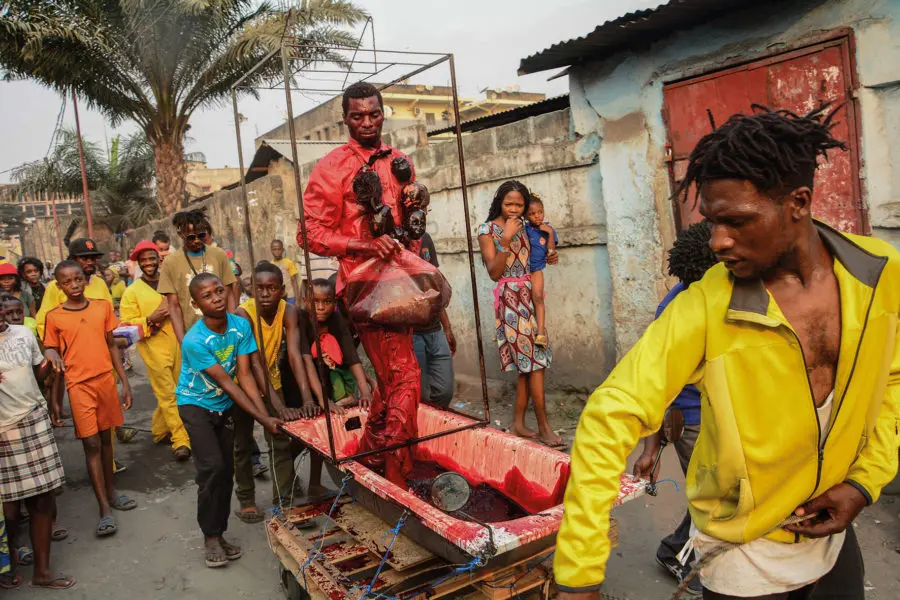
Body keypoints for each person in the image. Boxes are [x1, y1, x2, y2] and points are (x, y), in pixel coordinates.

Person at [554, 106, 900, 600]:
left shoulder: (878, 273)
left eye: (737, 221)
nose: (718, 241)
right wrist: (579, 571)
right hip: (740, 554)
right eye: (713, 221)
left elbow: (891, 380)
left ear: (798, 203)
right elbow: (609, 417)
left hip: (832, 534)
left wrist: (864, 483)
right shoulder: (703, 307)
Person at [298, 81, 422, 486]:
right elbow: (309, 234)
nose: (367, 122)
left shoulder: (400, 160)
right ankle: (398, 479)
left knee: (390, 381)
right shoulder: (332, 167)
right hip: (365, 288)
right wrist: (364, 244)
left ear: (383, 114)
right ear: (345, 119)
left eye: (373, 114)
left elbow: (411, 221)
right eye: (357, 116)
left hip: (405, 284)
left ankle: (368, 458)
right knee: (406, 377)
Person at [631, 220, 717, 597]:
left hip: (717, 411)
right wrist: (650, 448)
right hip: (691, 418)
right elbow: (655, 384)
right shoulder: (677, 310)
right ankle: (686, 560)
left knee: (713, 492)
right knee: (711, 495)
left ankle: (677, 549)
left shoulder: (715, 296)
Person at [175, 272, 281, 568]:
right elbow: (228, 383)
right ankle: (210, 536)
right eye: (207, 296)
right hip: (195, 404)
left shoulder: (240, 325)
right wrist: (264, 420)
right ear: (196, 305)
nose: (217, 298)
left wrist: (266, 415)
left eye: (219, 291)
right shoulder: (194, 340)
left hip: (223, 404)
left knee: (225, 470)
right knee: (212, 467)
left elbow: (245, 375)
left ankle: (218, 533)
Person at [43, 261, 136, 538]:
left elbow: (111, 344)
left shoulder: (101, 307)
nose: (73, 285)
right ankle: (104, 508)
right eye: (67, 282)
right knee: (91, 444)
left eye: (77, 279)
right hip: (78, 385)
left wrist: (124, 381)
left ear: (85, 280)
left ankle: (112, 492)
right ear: (59, 286)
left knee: (107, 440)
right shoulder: (54, 316)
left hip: (105, 380)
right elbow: (51, 351)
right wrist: (55, 397)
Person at [477, 180, 560, 447]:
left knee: (528, 365)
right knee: (534, 362)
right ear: (499, 203)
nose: (514, 209)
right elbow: (494, 273)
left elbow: (535, 257)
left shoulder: (527, 226)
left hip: (530, 297)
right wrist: (505, 239)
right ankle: (544, 428)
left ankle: (517, 424)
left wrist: (550, 255)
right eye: (508, 204)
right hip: (510, 301)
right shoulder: (487, 230)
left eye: (519, 205)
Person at [0, 305, 74, 590]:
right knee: (9, 509)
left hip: (34, 419)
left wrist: (50, 358)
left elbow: (38, 375)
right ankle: (9, 564)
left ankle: (42, 572)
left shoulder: (23, 333)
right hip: (4, 430)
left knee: (42, 499)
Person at [233, 262, 313, 511]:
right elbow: (254, 364)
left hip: (271, 379)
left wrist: (307, 398)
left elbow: (294, 355)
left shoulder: (288, 311)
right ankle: (246, 499)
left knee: (279, 439)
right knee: (242, 444)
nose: (265, 294)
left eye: (272, 288)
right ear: (251, 289)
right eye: (260, 288)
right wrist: (279, 406)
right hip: (241, 384)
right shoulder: (243, 314)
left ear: (282, 290)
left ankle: (284, 504)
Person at [298, 278, 373, 499]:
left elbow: (351, 354)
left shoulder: (336, 319)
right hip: (303, 379)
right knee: (302, 434)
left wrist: (365, 389)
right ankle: (287, 485)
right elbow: (305, 360)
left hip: (327, 375)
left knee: (324, 430)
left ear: (334, 303)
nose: (321, 307)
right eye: (315, 302)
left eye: (327, 302)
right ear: (306, 301)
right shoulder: (302, 319)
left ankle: (314, 484)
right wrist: (323, 400)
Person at [119, 240, 191, 461]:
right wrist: (151, 318)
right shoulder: (131, 292)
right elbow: (126, 325)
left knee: (179, 388)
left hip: (178, 341)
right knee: (168, 392)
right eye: (144, 260)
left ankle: (160, 430)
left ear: (158, 260)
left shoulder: (170, 283)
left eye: (152, 258)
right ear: (138, 263)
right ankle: (181, 439)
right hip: (152, 345)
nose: (149, 263)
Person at [159, 208, 237, 343]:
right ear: (180, 234)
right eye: (190, 237)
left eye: (201, 235)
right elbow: (174, 307)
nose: (196, 240)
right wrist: (183, 342)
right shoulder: (170, 263)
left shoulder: (218, 254)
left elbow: (229, 294)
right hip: (195, 337)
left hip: (224, 332)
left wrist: (233, 331)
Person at [412, 232, 456, 407]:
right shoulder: (391, 240)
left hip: (434, 328)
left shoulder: (424, 238)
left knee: (445, 391)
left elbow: (434, 286)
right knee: (419, 394)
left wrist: (447, 327)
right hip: (409, 333)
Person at [523, 193, 558, 347]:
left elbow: (551, 249)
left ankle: (541, 333)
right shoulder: (524, 229)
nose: (537, 216)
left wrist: (548, 232)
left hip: (536, 270)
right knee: (524, 300)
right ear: (525, 216)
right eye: (532, 213)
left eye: (540, 212)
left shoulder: (548, 230)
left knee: (538, 297)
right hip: (522, 272)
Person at [270, 240, 301, 304]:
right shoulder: (270, 265)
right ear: (271, 250)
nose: (277, 251)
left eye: (279, 249)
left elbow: (294, 281)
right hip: (277, 297)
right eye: (274, 249)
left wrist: (297, 300)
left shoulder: (288, 262)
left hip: (290, 296)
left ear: (282, 249)